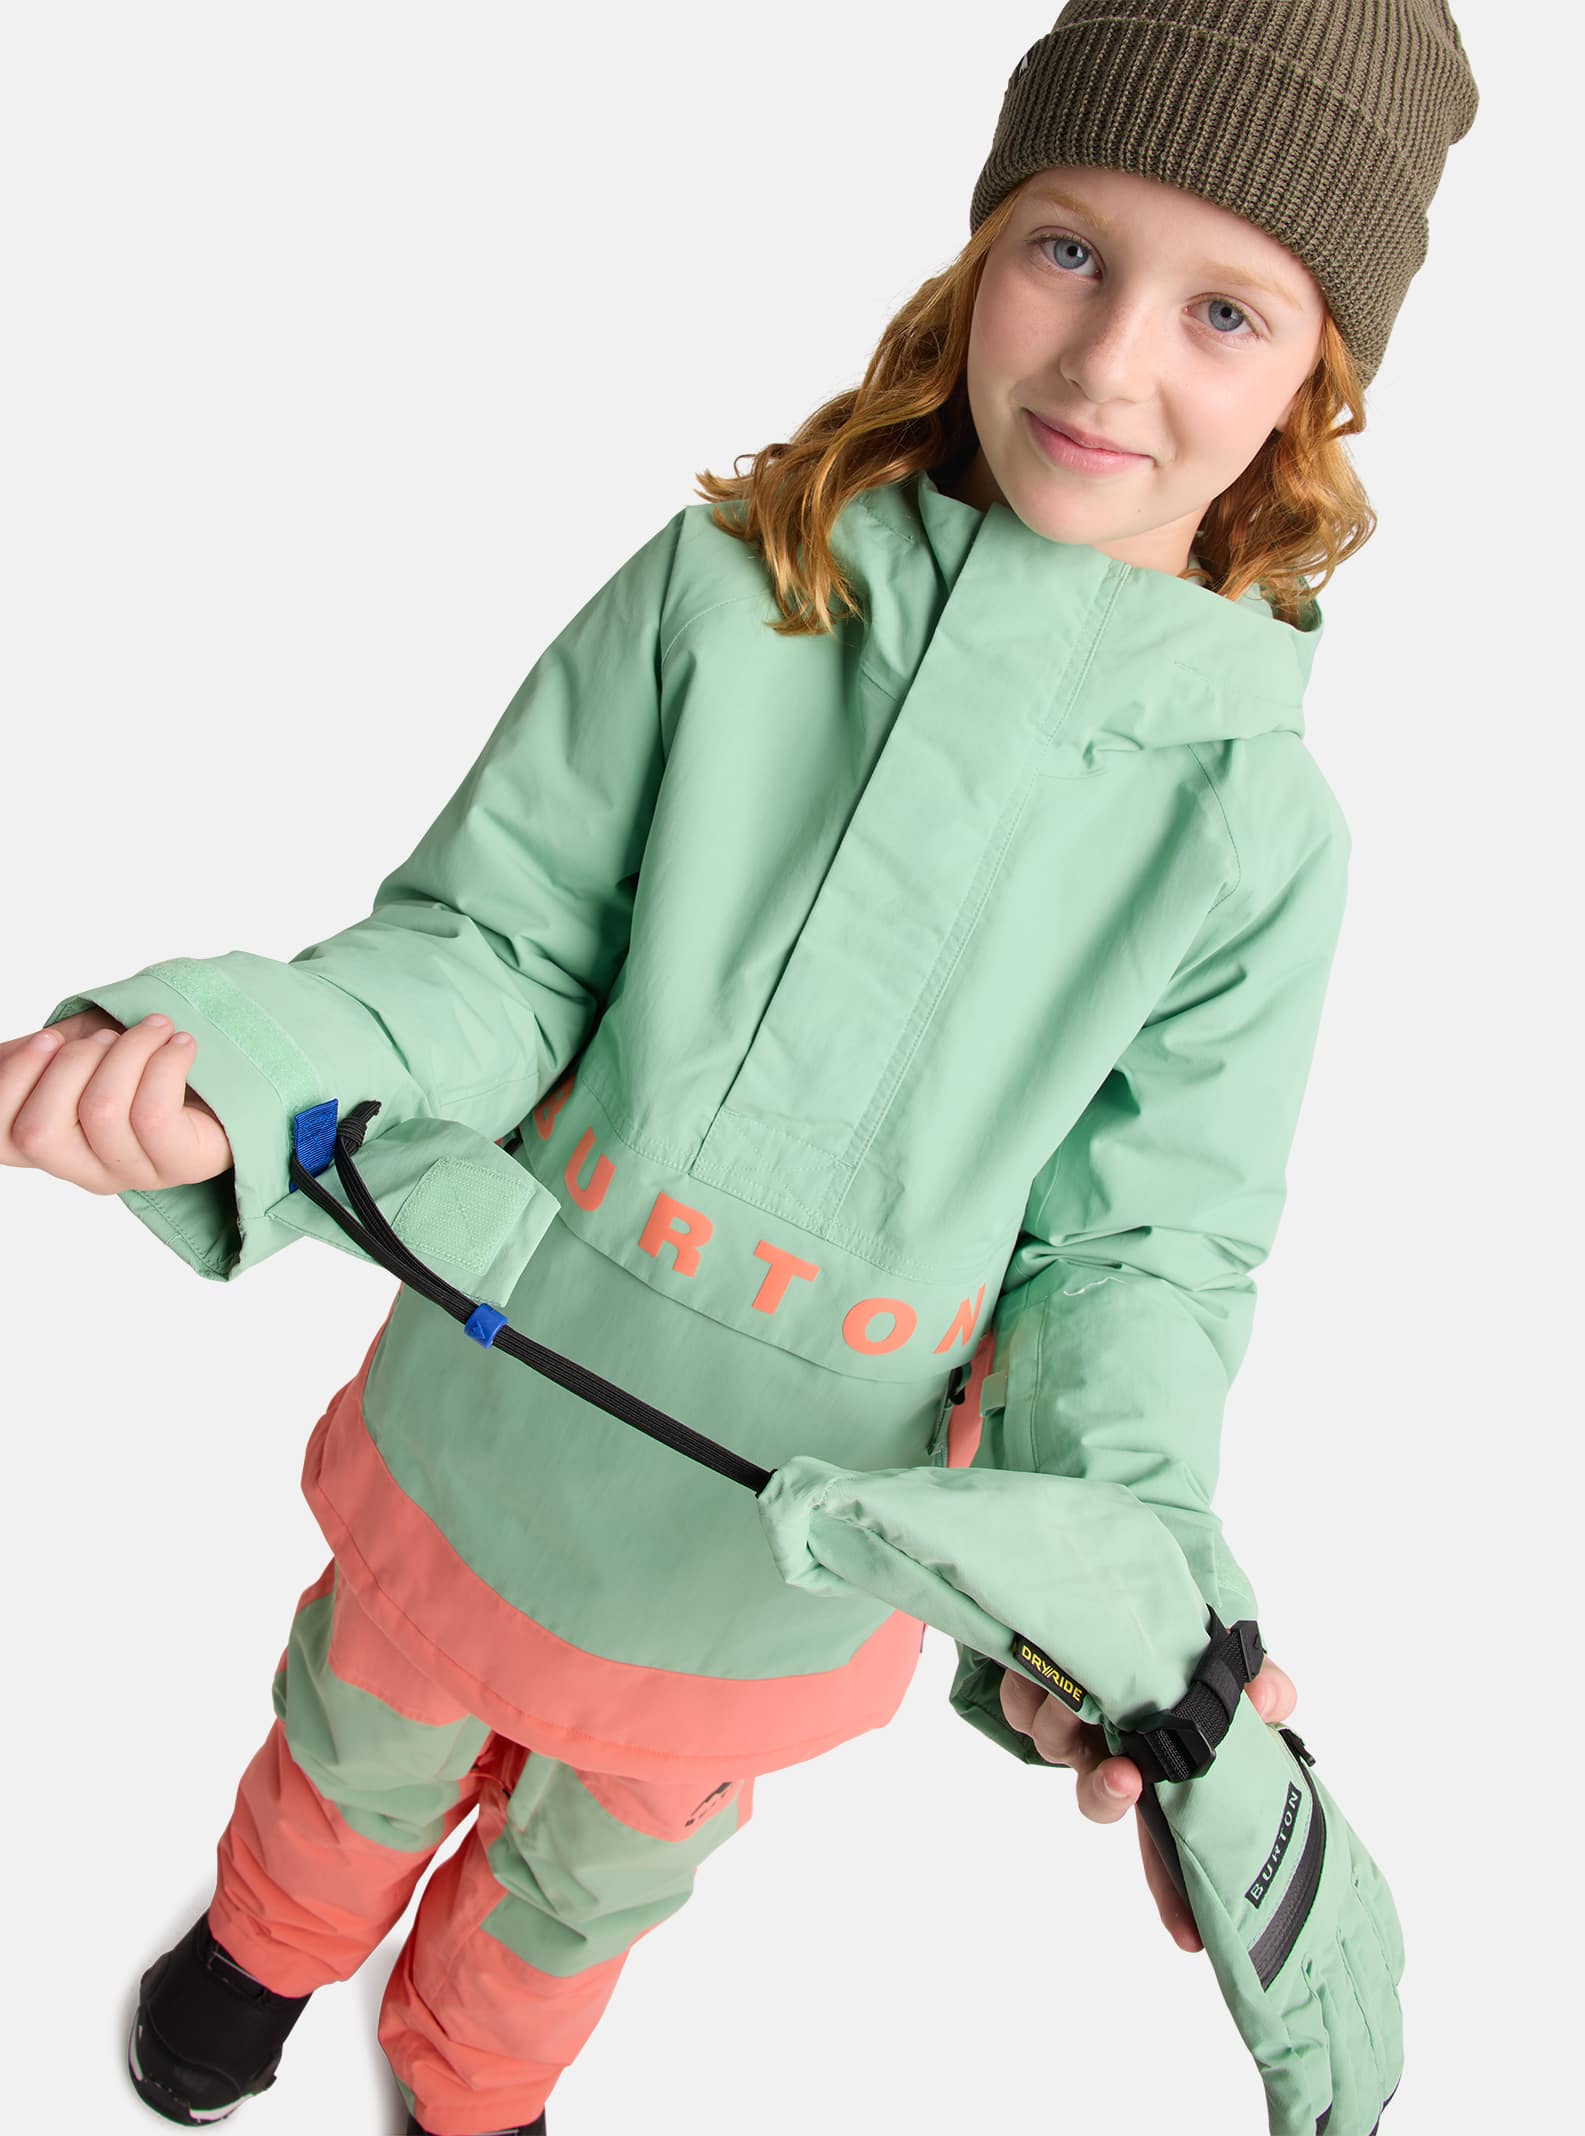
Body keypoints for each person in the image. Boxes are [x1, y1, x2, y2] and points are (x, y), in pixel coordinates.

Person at [0, 4, 1477, 2132]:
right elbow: (494, 951)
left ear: (1315, 384)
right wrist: (238, 1053)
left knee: (600, 1875)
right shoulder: (737, 586)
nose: (1107, 362)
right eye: (1066, 251)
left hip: (769, 1560)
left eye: (1222, 311)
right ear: (981, 245)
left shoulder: (1253, 839)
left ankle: (473, 2069)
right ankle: (266, 1941)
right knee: (353, 1736)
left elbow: (1137, 1265)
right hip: (496, 1419)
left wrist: (1132, 1595)